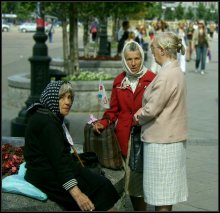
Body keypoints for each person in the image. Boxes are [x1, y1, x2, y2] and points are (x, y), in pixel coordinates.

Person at [24, 80, 120, 211]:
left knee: (100, 182)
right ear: (52, 97)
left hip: (48, 170)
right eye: (62, 97)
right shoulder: (47, 122)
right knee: (99, 188)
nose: (68, 102)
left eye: (69, 98)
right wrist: (77, 194)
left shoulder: (46, 115)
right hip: (46, 175)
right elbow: (59, 162)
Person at [93, 41, 156, 211]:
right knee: (126, 183)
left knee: (137, 187)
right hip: (123, 140)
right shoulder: (119, 81)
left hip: (143, 138)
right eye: (129, 59)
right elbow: (112, 111)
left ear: (142, 58)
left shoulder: (152, 79)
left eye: (137, 58)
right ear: (124, 60)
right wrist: (103, 122)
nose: (133, 63)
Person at [134, 31, 188, 211]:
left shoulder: (166, 75)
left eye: (153, 48)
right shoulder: (174, 70)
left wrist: (138, 116)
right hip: (171, 137)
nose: (152, 52)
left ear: (163, 50)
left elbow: (153, 108)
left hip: (161, 141)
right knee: (166, 195)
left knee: (160, 195)